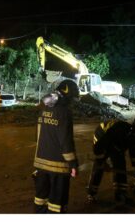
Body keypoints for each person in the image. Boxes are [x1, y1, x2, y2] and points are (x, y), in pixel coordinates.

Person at [33, 79, 79, 213]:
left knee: (40, 200)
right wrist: (73, 164)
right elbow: (65, 141)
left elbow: (37, 136)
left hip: (40, 163)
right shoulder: (64, 112)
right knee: (56, 203)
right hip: (59, 166)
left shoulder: (43, 108)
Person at [86, 119, 135, 204]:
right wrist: (104, 162)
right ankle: (91, 193)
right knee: (99, 164)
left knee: (120, 163)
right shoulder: (117, 130)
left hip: (117, 142)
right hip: (102, 135)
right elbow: (97, 150)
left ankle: (120, 193)